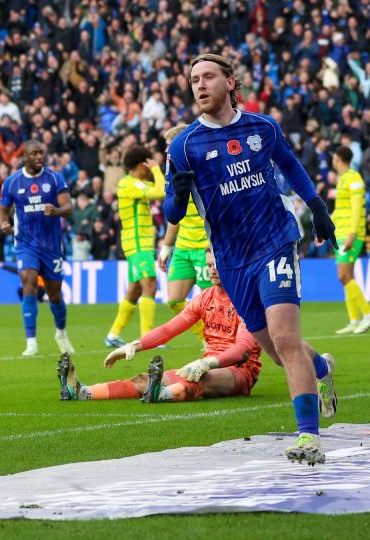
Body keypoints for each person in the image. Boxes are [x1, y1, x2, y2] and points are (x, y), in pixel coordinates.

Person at [163, 54, 337, 465]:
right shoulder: (183, 145)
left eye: (208, 77)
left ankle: (308, 438)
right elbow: (172, 213)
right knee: (277, 353)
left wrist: (316, 206)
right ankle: (322, 370)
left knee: (285, 338)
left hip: (275, 241)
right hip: (231, 261)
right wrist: (180, 192)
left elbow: (290, 165)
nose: (200, 85)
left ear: (230, 82)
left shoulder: (262, 127)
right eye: (193, 80)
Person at [59, 250, 262, 403]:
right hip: (206, 364)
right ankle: (83, 392)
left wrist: (207, 364)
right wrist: (135, 345)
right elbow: (169, 329)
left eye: (217, 264)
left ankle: (161, 394)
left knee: (198, 380)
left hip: (239, 372)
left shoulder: (246, 299)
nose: (213, 270)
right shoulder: (205, 298)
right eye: (209, 265)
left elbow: (242, 351)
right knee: (142, 379)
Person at [0, 140, 75, 357]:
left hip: (51, 246)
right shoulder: (12, 182)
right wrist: (3, 223)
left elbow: (68, 207)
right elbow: (1, 211)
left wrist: (56, 211)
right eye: (35, 153)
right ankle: (31, 342)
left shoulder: (54, 178)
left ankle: (60, 333)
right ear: (25, 157)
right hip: (25, 244)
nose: (40, 157)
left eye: (42, 153)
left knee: (55, 294)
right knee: (28, 281)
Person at [104, 145, 166, 347]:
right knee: (150, 284)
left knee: (134, 291)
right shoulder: (130, 184)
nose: (149, 170)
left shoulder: (132, 184)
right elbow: (160, 191)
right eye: (147, 165)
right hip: (137, 244)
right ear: (141, 164)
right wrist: (157, 169)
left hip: (139, 244)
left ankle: (113, 335)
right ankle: (148, 338)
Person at [157, 125, 212, 345]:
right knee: (174, 300)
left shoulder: (202, 168)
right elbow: (174, 215)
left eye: (169, 144)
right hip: (183, 247)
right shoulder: (171, 172)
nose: (166, 150)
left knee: (213, 304)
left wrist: (213, 245)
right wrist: (166, 248)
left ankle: (226, 343)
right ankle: (208, 339)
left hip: (204, 247)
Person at [331, 146, 370, 334]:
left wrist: (352, 234)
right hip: (339, 233)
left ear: (338, 158)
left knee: (343, 276)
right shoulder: (343, 179)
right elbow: (340, 210)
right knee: (348, 277)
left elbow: (357, 209)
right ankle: (354, 319)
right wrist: (324, 229)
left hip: (349, 234)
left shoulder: (354, 179)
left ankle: (369, 315)